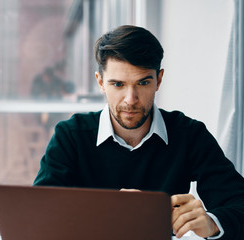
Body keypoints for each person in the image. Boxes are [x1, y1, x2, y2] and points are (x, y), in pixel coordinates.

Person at [33, 25, 244, 240]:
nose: (130, 99)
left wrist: (213, 224)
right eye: (118, 84)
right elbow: (38, 216)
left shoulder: (189, 134)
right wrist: (107, 212)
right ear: (101, 82)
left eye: (143, 83)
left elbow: (240, 204)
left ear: (159, 80)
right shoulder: (71, 136)